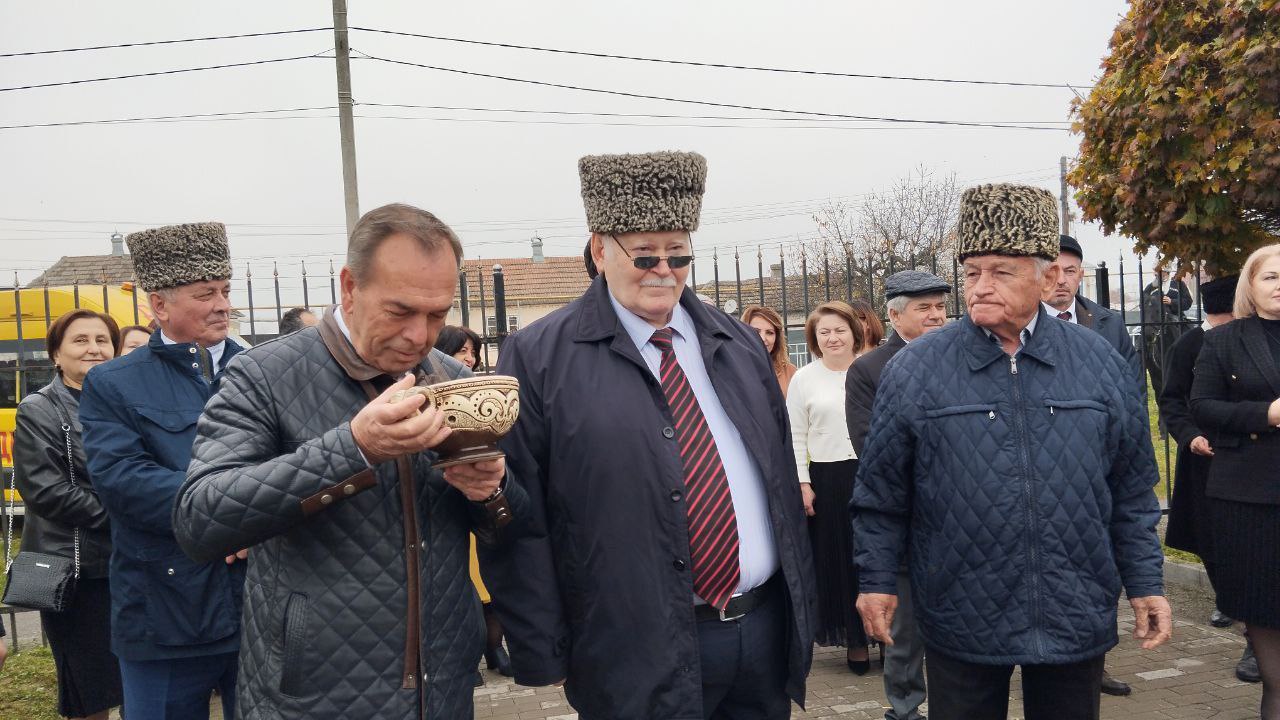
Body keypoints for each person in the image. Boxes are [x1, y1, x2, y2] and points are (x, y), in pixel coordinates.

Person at [481, 151, 816, 720]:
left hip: (759, 634)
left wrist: (801, 613)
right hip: (632, 649)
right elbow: (523, 510)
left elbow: (778, 480)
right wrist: (543, 648)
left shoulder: (736, 344)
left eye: (678, 253)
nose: (664, 269)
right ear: (598, 249)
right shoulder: (537, 357)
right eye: (644, 254)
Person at [172, 203, 528, 718]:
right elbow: (199, 519)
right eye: (401, 311)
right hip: (311, 694)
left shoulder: (454, 377)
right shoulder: (263, 375)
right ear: (350, 287)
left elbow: (511, 530)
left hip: (443, 688)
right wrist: (354, 449)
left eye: (437, 314)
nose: (420, 335)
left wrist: (491, 489)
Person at [852, 183, 1171, 720]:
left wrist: (1145, 582)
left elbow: (1133, 488)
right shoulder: (916, 369)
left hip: (1075, 604)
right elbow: (881, 493)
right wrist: (876, 582)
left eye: (1001, 271)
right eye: (972, 272)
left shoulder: (1098, 361)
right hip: (961, 608)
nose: (979, 286)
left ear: (1047, 277)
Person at [79, 222, 246, 720]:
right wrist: (236, 514)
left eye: (225, 290)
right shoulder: (114, 383)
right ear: (159, 305)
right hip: (165, 608)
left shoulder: (262, 370)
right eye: (204, 293)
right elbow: (124, 481)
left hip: (258, 601)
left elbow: (294, 462)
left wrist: (259, 517)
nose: (221, 304)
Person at [1043, 234, 1145, 697]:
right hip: (1046, 467)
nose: (1061, 281)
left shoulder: (1106, 323)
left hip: (1098, 468)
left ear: (1081, 274)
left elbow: (1130, 394)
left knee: (1099, 570)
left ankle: (1092, 661)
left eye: (1071, 271)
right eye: (1054, 270)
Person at [844, 269, 949, 720]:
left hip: (960, 524)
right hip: (905, 522)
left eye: (941, 306)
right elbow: (871, 448)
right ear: (894, 314)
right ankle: (905, 709)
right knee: (905, 635)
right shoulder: (868, 370)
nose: (936, 316)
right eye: (923, 308)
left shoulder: (964, 357)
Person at [13, 309, 124, 720]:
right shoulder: (39, 409)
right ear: (56, 354)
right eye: (80, 340)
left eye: (102, 339)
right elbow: (48, 491)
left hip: (132, 564)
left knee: (138, 682)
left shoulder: (125, 404)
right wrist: (129, 518)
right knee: (90, 693)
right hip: (79, 573)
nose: (94, 348)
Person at [1190, 244, 1280, 719]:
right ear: (1250, 284)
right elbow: (1201, 406)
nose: (1279, 284)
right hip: (1251, 503)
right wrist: (1265, 414)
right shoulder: (1224, 341)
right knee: (1276, 667)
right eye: (1270, 277)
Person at [1159, 274, 1260, 683]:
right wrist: (1190, 437)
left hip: (1253, 458)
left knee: (1252, 541)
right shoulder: (1189, 346)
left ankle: (1254, 626)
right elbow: (1171, 400)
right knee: (1211, 535)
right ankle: (1228, 598)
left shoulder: (1255, 340)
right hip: (1203, 457)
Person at [785, 301, 868, 673]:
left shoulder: (872, 370)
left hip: (871, 475)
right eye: (824, 332)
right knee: (840, 562)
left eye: (840, 330)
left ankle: (887, 638)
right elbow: (795, 436)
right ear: (815, 339)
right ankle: (855, 640)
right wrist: (803, 483)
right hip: (828, 481)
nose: (833, 338)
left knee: (875, 558)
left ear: (854, 332)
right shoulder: (805, 379)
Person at [432, 323, 514, 682]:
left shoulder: (486, 399)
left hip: (483, 504)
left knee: (489, 585)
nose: (470, 357)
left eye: (473, 351)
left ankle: (495, 648)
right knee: (467, 586)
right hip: (450, 512)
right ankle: (472, 654)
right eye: (461, 350)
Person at [1141, 266, 1192, 396]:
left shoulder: (1178, 284)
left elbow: (1188, 302)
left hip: (1174, 318)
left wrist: (1172, 301)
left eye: (1162, 272)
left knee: (1188, 334)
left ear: (1167, 272)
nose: (1159, 274)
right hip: (1155, 322)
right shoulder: (1150, 287)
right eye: (1157, 272)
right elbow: (1143, 302)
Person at [741, 305, 798, 396]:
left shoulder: (790, 372)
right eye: (756, 331)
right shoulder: (733, 368)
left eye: (769, 333)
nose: (763, 338)